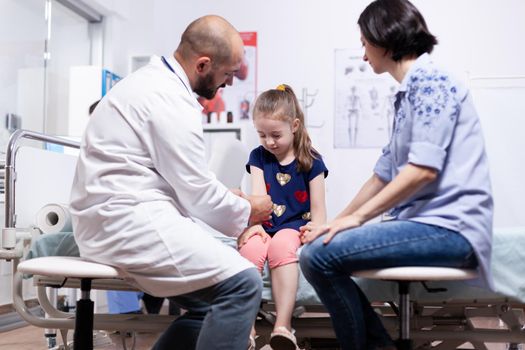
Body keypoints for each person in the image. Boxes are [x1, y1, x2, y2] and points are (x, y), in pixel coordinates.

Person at [70, 15, 273, 350]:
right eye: (227, 74)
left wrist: (227, 200)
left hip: (115, 218)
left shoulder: (150, 84)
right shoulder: (170, 101)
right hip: (126, 223)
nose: (229, 84)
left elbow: (175, 180)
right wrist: (248, 210)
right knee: (244, 283)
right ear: (204, 64)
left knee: (209, 304)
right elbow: (197, 194)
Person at [299, 1, 493, 349]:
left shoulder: (432, 82)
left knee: (317, 257)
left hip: (450, 230)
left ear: (384, 39)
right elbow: (383, 175)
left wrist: (355, 219)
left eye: (364, 44)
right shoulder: (407, 95)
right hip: (427, 225)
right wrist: (336, 222)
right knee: (318, 247)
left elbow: (421, 171)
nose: (362, 55)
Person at [237, 84, 328, 350]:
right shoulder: (258, 157)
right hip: (265, 222)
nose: (269, 142)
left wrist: (315, 230)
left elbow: (320, 212)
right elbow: (258, 200)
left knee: (281, 246)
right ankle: (246, 330)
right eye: (262, 135)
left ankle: (283, 327)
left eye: (275, 134)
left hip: (295, 225)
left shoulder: (311, 161)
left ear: (295, 125)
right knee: (250, 249)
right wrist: (253, 227)